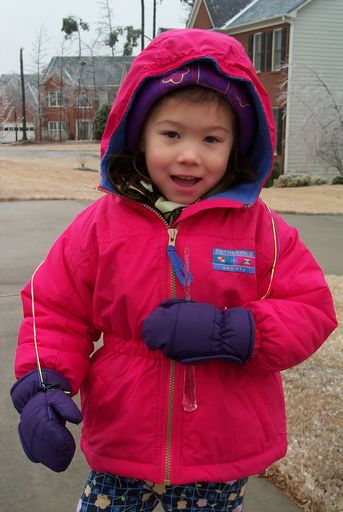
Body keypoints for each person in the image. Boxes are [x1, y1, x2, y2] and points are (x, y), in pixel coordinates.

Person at [10, 28, 337, 512]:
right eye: (171, 134)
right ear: (139, 137)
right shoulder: (100, 227)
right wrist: (43, 384)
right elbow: (54, 308)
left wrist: (235, 332)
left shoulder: (261, 231)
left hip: (222, 450)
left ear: (236, 148)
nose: (189, 154)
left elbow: (310, 307)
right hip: (124, 445)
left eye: (211, 138)